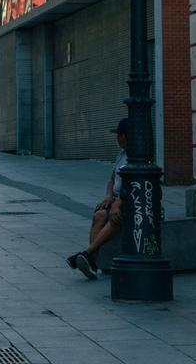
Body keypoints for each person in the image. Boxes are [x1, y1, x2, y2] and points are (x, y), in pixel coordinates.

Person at [67, 119, 130, 279]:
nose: (116, 139)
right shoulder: (121, 155)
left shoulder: (135, 156)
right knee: (99, 215)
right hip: (116, 198)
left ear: (124, 137)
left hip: (129, 201)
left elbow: (132, 185)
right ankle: (92, 261)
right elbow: (112, 178)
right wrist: (109, 196)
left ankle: (87, 254)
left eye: (118, 135)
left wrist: (118, 202)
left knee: (116, 218)